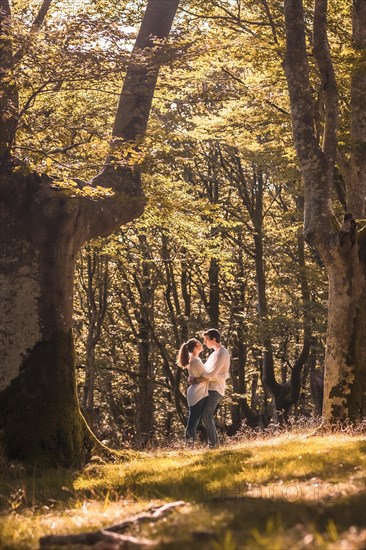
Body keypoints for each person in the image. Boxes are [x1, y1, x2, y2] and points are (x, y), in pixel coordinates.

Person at [191, 329, 230, 448]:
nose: (205, 342)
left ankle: (213, 445)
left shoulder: (222, 353)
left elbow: (211, 374)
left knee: (207, 416)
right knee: (204, 416)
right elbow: (205, 371)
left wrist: (197, 380)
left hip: (215, 389)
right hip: (208, 388)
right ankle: (214, 444)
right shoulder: (214, 353)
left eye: (206, 339)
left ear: (214, 339)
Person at [177, 338, 209, 442]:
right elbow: (208, 375)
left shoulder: (194, 360)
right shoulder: (195, 361)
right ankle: (188, 443)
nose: (202, 343)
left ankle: (188, 442)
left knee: (194, 419)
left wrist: (194, 379)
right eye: (199, 343)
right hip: (197, 393)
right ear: (196, 348)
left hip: (196, 392)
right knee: (193, 421)